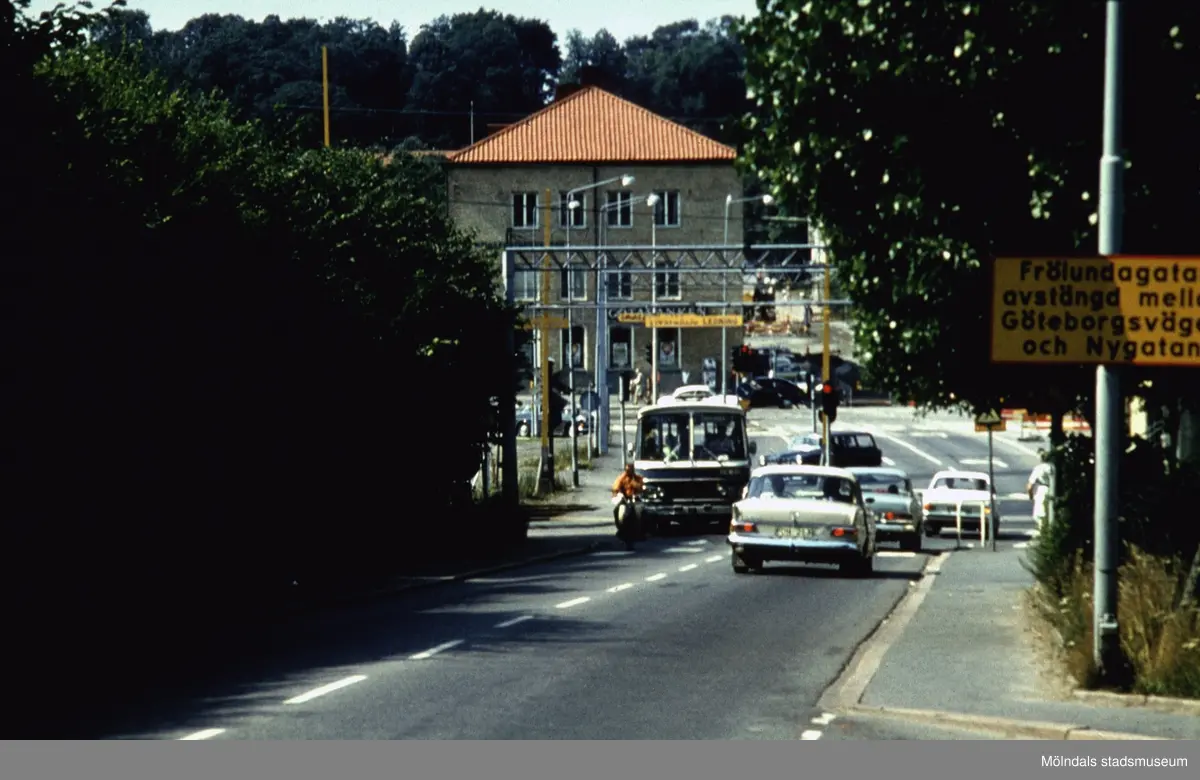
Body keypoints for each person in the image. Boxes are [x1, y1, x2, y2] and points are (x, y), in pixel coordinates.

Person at [611, 463, 646, 549]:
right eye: (627, 470)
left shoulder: (637, 478)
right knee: (616, 511)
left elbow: (642, 487)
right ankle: (620, 529)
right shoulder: (622, 478)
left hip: (635, 500)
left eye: (631, 470)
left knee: (642, 512)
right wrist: (619, 493)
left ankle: (642, 531)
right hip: (625, 500)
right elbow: (615, 487)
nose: (629, 471)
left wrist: (638, 489)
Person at [1027, 450, 1054, 531]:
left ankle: (1043, 532)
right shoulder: (1052, 467)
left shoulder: (1038, 468)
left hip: (1041, 490)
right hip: (1052, 489)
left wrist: (1030, 496)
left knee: (1039, 514)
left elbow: (1030, 485)